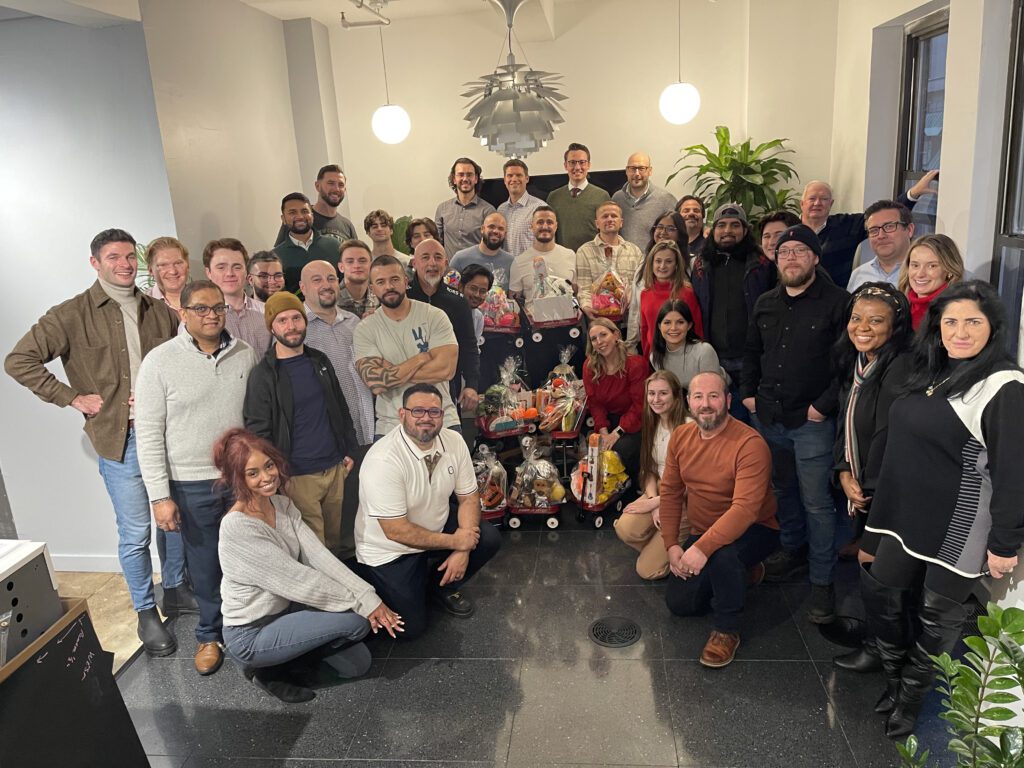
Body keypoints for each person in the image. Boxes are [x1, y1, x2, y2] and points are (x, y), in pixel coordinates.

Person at [5, 228, 191, 658]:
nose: (124, 264)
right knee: (135, 531)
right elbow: (19, 360)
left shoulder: (157, 311)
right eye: (114, 257)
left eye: (130, 257)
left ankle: (176, 590)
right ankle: (146, 612)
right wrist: (71, 397)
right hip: (119, 440)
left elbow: (178, 364)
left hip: (166, 434)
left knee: (174, 518)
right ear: (95, 262)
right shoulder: (70, 314)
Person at [862, 281, 1024, 737]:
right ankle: (894, 680)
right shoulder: (931, 370)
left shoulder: (1003, 385)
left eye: (973, 321)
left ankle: (910, 700)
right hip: (905, 510)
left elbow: (1014, 470)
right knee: (882, 593)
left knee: (937, 620)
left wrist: (1005, 542)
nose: (961, 331)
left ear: (993, 327)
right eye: (950, 321)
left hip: (961, 520)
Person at [215, 428, 401, 704]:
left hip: (287, 608)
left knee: (358, 664)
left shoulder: (281, 504)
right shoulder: (237, 528)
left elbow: (319, 557)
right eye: (252, 473)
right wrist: (364, 605)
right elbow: (300, 581)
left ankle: (288, 657)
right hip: (251, 632)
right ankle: (265, 668)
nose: (267, 477)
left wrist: (366, 596)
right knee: (357, 622)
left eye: (269, 465)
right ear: (236, 479)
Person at [135, 279, 260, 675]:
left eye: (218, 308)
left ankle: (251, 625)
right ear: (183, 313)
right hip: (190, 483)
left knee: (249, 555)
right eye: (202, 309)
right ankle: (210, 633)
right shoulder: (159, 361)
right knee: (205, 564)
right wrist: (159, 495)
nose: (211, 316)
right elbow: (149, 432)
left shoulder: (245, 353)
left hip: (240, 477)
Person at [741, 224, 850, 623]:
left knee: (817, 503)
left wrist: (822, 407)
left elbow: (847, 365)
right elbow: (751, 351)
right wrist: (749, 394)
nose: (790, 258)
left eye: (800, 251)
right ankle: (792, 550)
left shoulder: (839, 303)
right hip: (769, 416)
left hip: (812, 423)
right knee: (782, 490)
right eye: (784, 252)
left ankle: (822, 581)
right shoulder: (767, 302)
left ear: (815, 258)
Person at [354, 384, 501, 639]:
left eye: (434, 412)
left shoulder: (453, 440)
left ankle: (440, 585)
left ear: (443, 416)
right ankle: (375, 584)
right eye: (418, 411)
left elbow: (468, 498)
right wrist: (455, 541)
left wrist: (463, 547)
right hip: (389, 550)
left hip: (435, 525)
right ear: (402, 415)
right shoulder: (383, 460)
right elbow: (395, 530)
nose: (426, 418)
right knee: (411, 629)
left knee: (488, 539)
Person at [659, 371, 779, 668]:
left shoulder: (749, 444)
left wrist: (702, 548)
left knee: (724, 556)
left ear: (727, 400)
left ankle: (727, 630)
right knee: (680, 604)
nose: (706, 404)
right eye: (698, 397)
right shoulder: (681, 436)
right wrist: (672, 544)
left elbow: (744, 510)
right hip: (704, 529)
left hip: (755, 528)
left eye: (714, 396)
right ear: (688, 403)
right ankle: (746, 573)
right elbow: (671, 491)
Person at [829, 282, 913, 674]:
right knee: (873, 566)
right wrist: (843, 470)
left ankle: (884, 652)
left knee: (875, 566)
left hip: (888, 488)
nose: (862, 326)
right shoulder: (860, 362)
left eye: (876, 320)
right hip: (862, 481)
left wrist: (868, 488)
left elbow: (888, 435)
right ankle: (880, 643)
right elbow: (846, 423)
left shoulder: (899, 367)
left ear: (895, 325)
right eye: (857, 317)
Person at [243, 291, 359, 554]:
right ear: (272, 326)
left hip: (335, 468)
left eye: (296, 318)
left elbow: (340, 407)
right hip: (298, 476)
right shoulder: (264, 375)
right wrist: (277, 474)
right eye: (282, 320)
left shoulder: (319, 360)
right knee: (315, 551)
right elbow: (258, 434)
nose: (291, 326)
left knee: (336, 542)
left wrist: (348, 449)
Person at [353, 255, 460, 439]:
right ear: (372, 288)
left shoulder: (434, 316)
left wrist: (392, 371)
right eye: (381, 282)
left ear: (405, 281)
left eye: (394, 279)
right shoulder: (365, 328)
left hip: (441, 421)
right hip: (391, 426)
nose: (389, 287)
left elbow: (446, 370)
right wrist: (420, 359)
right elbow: (376, 383)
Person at [690, 203, 774, 420]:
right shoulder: (701, 264)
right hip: (713, 357)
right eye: (722, 225)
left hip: (752, 358)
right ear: (712, 230)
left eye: (735, 225)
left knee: (756, 420)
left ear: (745, 231)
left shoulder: (761, 263)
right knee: (720, 420)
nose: (727, 230)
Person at [614, 370, 690, 580]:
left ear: (676, 396)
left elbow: (693, 483)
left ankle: (684, 553)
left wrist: (658, 502)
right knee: (625, 528)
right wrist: (651, 499)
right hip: (660, 494)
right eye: (651, 393)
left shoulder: (688, 427)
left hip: (685, 501)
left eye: (663, 393)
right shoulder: (653, 423)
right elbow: (649, 469)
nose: (656, 399)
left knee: (647, 571)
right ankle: (663, 547)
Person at [799, 174, 937, 289]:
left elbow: (884, 216)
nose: (817, 203)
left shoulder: (845, 225)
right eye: (812, 198)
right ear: (802, 203)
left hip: (831, 305)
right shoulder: (788, 229)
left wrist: (913, 194)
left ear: (831, 203)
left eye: (824, 199)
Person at [301, 260, 376, 448]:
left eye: (331, 278)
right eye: (317, 280)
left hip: (367, 432)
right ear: (303, 287)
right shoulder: (296, 330)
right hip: (327, 440)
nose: (326, 285)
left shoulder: (354, 322)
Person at [406, 238, 481, 415]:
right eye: (425, 257)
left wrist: (471, 385)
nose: (432, 263)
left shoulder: (458, 301)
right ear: (414, 263)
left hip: (448, 388)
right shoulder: (402, 297)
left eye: (438, 257)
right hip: (407, 386)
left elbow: (469, 346)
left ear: (446, 264)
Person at [582, 318, 648, 484]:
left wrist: (616, 433)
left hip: (636, 421)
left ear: (616, 334)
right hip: (610, 420)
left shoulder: (636, 364)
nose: (599, 342)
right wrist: (604, 432)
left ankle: (633, 488)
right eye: (594, 339)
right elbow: (595, 403)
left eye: (603, 335)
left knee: (620, 449)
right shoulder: (590, 366)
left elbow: (639, 406)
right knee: (595, 448)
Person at [627, 241, 703, 360]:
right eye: (658, 261)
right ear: (651, 263)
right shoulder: (645, 294)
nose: (662, 266)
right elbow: (645, 330)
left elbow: (697, 329)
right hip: (655, 359)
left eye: (668, 261)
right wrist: (648, 359)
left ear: (676, 264)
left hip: (683, 358)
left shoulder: (686, 293)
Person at [576, 201, 644, 322]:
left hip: (629, 321)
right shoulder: (584, 251)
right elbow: (584, 288)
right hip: (598, 320)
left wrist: (630, 299)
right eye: (604, 216)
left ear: (621, 222)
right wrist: (586, 307)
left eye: (614, 216)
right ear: (597, 223)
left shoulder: (634, 251)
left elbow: (639, 285)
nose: (609, 219)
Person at [203, 238, 271, 354]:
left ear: (246, 271)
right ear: (208, 272)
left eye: (237, 267)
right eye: (221, 267)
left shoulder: (267, 312)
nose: (230, 273)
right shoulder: (198, 319)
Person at [273, 193, 344, 295]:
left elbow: (345, 283)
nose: (300, 217)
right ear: (283, 219)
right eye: (292, 212)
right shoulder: (276, 256)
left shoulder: (334, 246)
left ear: (312, 215)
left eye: (305, 211)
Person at [547, 142, 611, 251]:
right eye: (572, 162)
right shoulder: (554, 197)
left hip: (593, 260)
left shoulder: (602, 196)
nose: (577, 167)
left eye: (582, 162)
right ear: (565, 165)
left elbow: (608, 232)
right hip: (563, 260)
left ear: (589, 165)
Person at [274, 164, 357, 246]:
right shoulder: (300, 219)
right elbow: (278, 255)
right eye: (331, 183)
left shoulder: (347, 226)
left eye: (341, 185)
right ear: (317, 186)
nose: (336, 189)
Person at [898, 233, 966, 329]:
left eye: (932, 266)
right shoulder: (898, 307)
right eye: (915, 265)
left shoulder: (958, 313)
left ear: (949, 271)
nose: (920, 274)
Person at [508, 206, 577, 302]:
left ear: (556, 226)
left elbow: (576, 292)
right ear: (531, 226)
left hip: (567, 316)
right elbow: (514, 301)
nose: (545, 226)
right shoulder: (519, 261)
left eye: (549, 222)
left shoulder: (570, 255)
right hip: (533, 316)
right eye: (540, 222)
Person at [650, 300, 721, 391]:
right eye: (667, 323)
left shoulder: (704, 351)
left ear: (689, 325)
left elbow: (712, 392)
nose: (673, 328)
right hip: (683, 401)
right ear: (659, 326)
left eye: (680, 322)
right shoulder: (655, 357)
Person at [611, 152, 678, 248]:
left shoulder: (666, 199)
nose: (637, 173)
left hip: (654, 261)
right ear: (626, 171)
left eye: (641, 169)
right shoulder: (617, 199)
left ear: (650, 171)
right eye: (633, 169)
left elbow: (677, 233)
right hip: (623, 261)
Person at [847, 201, 915, 290]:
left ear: (909, 230)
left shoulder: (924, 274)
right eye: (874, 230)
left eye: (889, 226)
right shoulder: (859, 274)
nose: (881, 236)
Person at [434, 157, 496, 255]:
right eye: (461, 174)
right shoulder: (442, 209)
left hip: (477, 269)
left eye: (469, 175)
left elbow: (492, 246)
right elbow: (437, 242)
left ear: (476, 179)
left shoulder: (488, 211)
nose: (465, 179)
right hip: (450, 269)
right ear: (454, 179)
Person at [450, 212, 514, 291]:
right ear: (482, 229)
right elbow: (449, 289)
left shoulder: (512, 262)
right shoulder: (460, 258)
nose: (496, 231)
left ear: (505, 234)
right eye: (491, 226)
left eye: (501, 228)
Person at [497, 158, 543, 257]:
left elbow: (547, 246)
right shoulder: (501, 210)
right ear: (505, 180)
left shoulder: (540, 208)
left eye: (519, 175)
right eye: (509, 175)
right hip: (506, 269)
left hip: (530, 269)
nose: (514, 179)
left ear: (527, 178)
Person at [146, 236, 190, 317]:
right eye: (163, 265)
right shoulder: (143, 306)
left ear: (188, 265)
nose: (173, 271)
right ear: (150, 270)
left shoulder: (206, 298)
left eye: (178, 263)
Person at [337, 239, 380, 319]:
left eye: (362, 261)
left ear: (371, 265)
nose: (356, 266)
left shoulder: (381, 296)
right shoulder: (331, 299)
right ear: (341, 267)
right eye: (350, 261)